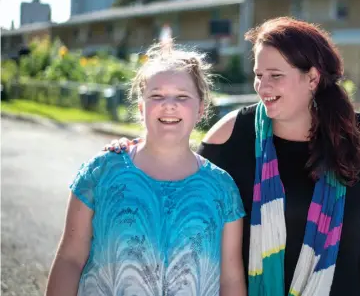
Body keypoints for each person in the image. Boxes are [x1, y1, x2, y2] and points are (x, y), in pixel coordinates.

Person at [106, 17, 360, 296]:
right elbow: (183, 182)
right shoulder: (234, 133)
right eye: (259, 76)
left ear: (312, 78)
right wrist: (133, 151)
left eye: (275, 76)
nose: (263, 87)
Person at [46, 43, 247, 296]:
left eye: (182, 96)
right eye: (157, 96)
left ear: (201, 108)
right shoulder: (100, 173)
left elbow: (230, 279)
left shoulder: (222, 189)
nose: (169, 105)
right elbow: (70, 260)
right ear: (142, 108)